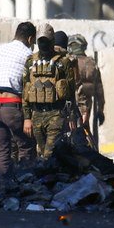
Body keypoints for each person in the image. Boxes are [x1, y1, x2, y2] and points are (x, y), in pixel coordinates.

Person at [0, 21, 37, 179]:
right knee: (26, 147)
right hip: (13, 107)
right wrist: (28, 117)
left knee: (3, 152)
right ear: (30, 38)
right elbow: (31, 87)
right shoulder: (28, 55)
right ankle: (25, 187)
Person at [22, 23, 76, 160]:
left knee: (49, 154)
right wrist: (27, 118)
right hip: (36, 114)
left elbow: (70, 91)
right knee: (41, 152)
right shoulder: (30, 61)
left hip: (56, 114)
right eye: (40, 40)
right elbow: (25, 91)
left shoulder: (63, 62)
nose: (43, 44)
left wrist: (72, 116)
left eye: (46, 40)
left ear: (52, 40)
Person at [68, 34, 105, 143]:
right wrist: (100, 110)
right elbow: (99, 90)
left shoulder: (67, 62)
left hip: (70, 105)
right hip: (86, 105)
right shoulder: (91, 63)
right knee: (84, 132)